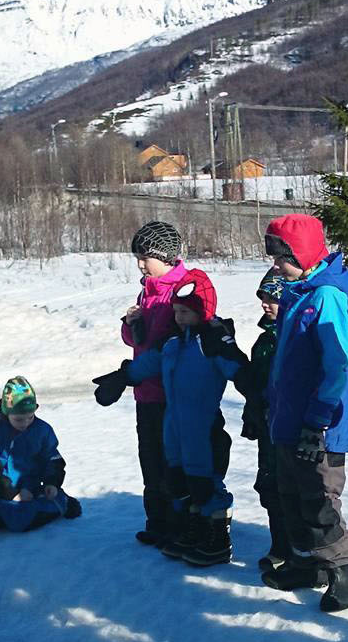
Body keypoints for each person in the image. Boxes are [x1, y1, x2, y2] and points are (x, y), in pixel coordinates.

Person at [94, 274, 246, 566]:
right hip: (174, 426)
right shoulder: (174, 341)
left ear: (203, 310)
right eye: (176, 312)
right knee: (179, 480)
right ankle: (194, 530)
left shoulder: (213, 340)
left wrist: (256, 400)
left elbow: (239, 369)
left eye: (185, 312)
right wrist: (122, 377)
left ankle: (217, 539)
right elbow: (148, 362)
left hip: (203, 427)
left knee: (205, 481)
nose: (179, 318)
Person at [261, 213, 348, 611]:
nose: (274, 265)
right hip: (289, 419)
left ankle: (341, 575)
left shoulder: (326, 297)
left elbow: (335, 365)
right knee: (292, 495)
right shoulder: (297, 293)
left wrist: (317, 420)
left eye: (280, 256)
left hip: (319, 425)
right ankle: (307, 565)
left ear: (301, 254)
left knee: (319, 500)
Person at [118, 220, 224, 548]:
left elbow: (170, 342)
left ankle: (179, 522)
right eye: (137, 257)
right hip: (145, 391)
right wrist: (131, 324)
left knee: (171, 461)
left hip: (170, 393)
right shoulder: (147, 291)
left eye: (144, 257)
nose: (139, 264)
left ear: (165, 257)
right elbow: (138, 342)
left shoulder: (181, 292)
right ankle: (158, 520)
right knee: (149, 457)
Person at [0, 376, 82, 535]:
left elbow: (53, 460)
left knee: (20, 521)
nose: (26, 423)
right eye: (19, 419)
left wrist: (52, 483)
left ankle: (61, 502)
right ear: (6, 412)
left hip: (28, 487)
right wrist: (10, 492)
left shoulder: (42, 430)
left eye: (30, 417)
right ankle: (2, 514)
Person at [235, 270, 288, 571]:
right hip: (267, 426)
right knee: (268, 485)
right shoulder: (263, 341)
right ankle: (279, 543)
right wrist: (252, 413)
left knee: (288, 487)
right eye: (264, 298)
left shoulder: (291, 338)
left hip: (286, 426)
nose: (266, 305)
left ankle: (297, 546)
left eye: (273, 299)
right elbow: (255, 385)